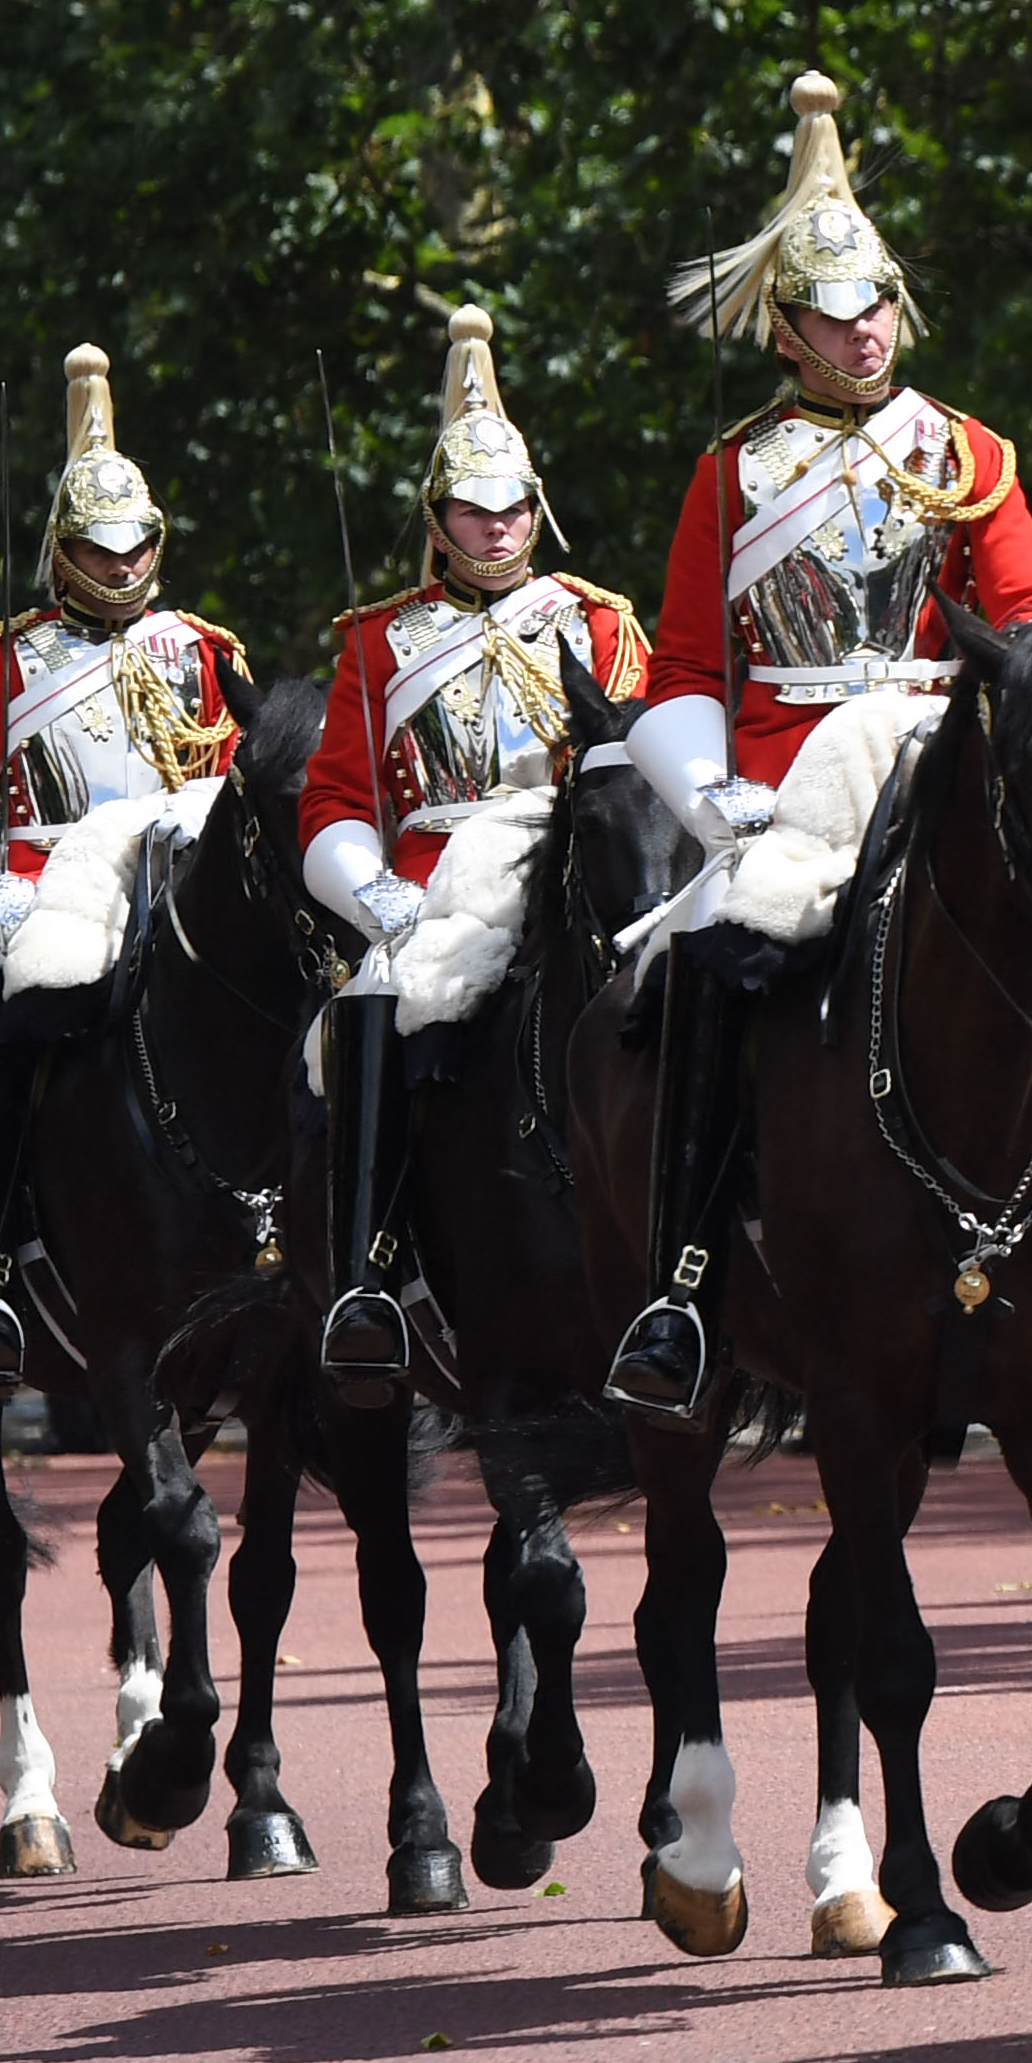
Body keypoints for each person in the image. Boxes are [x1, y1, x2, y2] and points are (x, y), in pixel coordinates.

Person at [603, 71, 1032, 1425]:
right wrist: (709, 795)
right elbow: (686, 667)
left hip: (944, 756)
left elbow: (1027, 614)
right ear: (786, 333)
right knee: (707, 961)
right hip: (793, 792)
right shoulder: (732, 474)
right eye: (833, 314)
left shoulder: (968, 451)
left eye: (876, 308)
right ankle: (684, 1289)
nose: (864, 334)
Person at [297, 306, 649, 1396]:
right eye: (471, 510)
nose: (495, 529)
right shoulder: (377, 639)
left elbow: (627, 766)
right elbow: (335, 804)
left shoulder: (595, 621)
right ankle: (367, 1273)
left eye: (512, 511)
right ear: (436, 515)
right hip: (430, 894)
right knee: (363, 1013)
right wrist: (375, 901)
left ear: (536, 511)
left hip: (562, 871)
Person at [0, 346, 245, 1389]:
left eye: (139, 542)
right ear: (62, 550)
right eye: (101, 548)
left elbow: (237, 789)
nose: (125, 563)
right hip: (48, 904)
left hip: (172, 895)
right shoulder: (4, 664)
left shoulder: (199, 652)